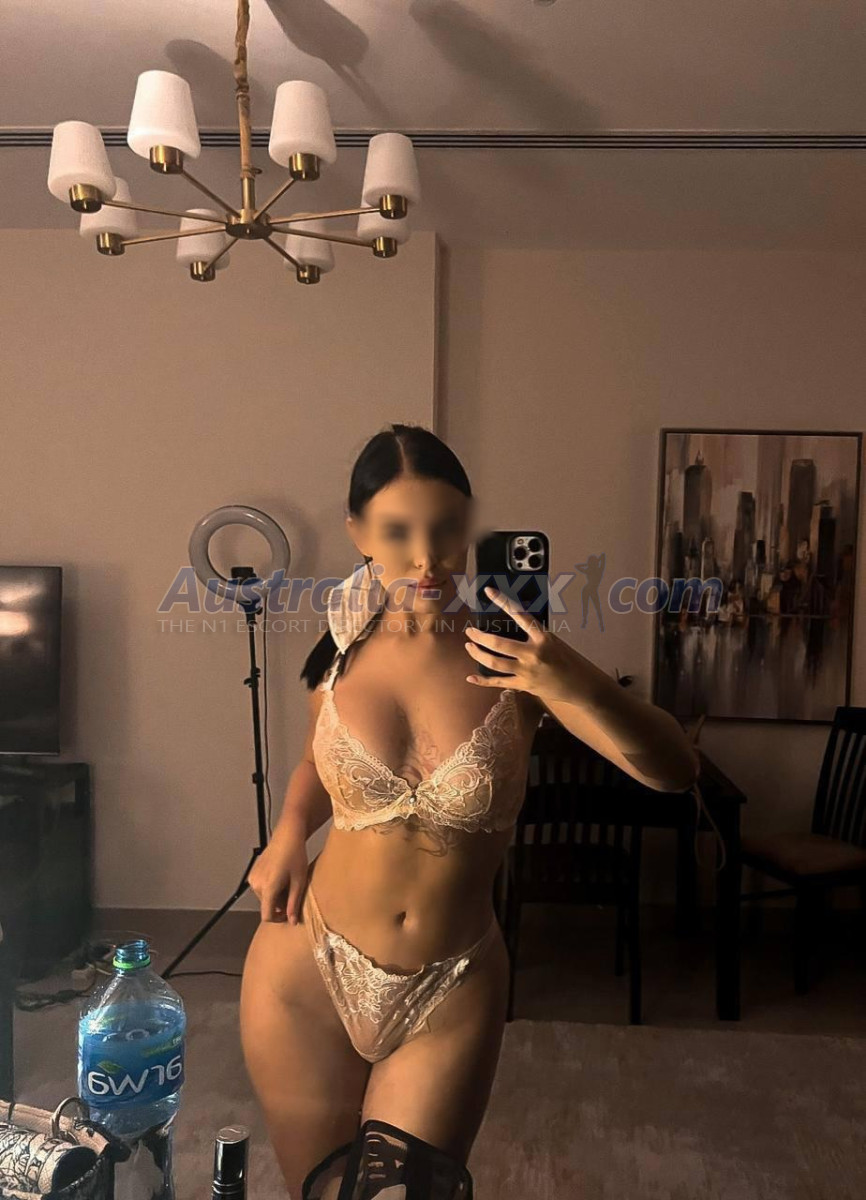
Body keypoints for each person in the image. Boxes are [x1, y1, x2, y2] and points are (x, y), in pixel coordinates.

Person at [239, 423, 700, 1198]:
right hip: (304, 967)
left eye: (446, 529)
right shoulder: (340, 646)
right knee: (318, 1190)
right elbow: (317, 762)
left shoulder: (515, 658)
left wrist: (572, 678)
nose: (427, 559)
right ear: (359, 533)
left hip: (449, 987)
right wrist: (288, 831)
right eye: (398, 531)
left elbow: (674, 772)